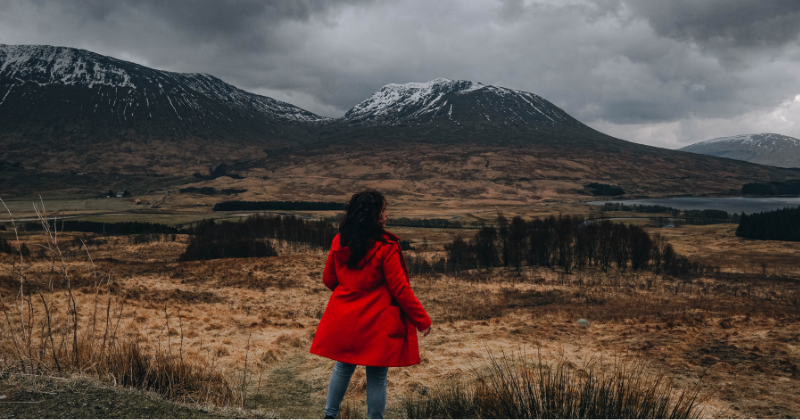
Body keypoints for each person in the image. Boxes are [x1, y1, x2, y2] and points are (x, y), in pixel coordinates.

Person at [309, 189, 432, 419]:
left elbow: (329, 279)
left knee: (343, 368)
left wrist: (350, 296)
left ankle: (329, 415)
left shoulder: (340, 241)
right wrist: (422, 320)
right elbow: (400, 288)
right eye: (384, 210)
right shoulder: (385, 247)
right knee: (377, 376)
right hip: (377, 324)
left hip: (346, 319)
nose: (387, 214)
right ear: (374, 216)